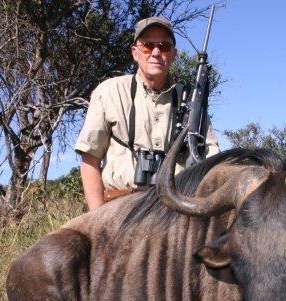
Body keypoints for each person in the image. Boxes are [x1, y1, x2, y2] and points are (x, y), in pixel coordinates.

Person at [75, 16, 219, 210]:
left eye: (164, 46)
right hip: (119, 208)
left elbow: (212, 160)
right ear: (135, 52)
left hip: (176, 210)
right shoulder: (108, 91)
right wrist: (97, 216)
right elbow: (90, 159)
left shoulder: (191, 101)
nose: (156, 52)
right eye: (148, 46)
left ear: (174, 54)